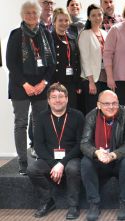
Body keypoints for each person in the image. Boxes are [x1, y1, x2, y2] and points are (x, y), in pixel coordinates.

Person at [7, 1, 55, 175]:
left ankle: (39, 155)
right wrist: (26, 85)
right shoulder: (15, 35)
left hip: (41, 86)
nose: (31, 16)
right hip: (20, 87)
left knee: (39, 122)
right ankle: (22, 161)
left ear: (39, 13)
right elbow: (11, 63)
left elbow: (52, 63)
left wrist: (43, 83)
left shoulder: (46, 34)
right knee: (21, 123)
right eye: (27, 13)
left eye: (34, 12)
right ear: (22, 15)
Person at [27, 83, 84, 219]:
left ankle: (73, 206)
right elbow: (38, 146)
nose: (57, 100)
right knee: (33, 169)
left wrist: (62, 163)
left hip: (71, 157)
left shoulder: (78, 116)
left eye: (61, 96)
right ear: (48, 100)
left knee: (73, 169)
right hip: (49, 158)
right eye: (53, 97)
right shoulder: (41, 117)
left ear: (67, 98)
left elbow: (80, 144)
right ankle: (47, 201)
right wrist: (54, 164)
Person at [80, 90, 125, 221]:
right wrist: (96, 152)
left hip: (119, 158)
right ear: (98, 105)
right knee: (85, 162)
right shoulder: (91, 116)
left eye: (114, 103)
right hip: (100, 158)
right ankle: (94, 203)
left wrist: (113, 155)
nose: (111, 107)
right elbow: (84, 143)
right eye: (106, 104)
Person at [79, 4, 108, 114]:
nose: (97, 18)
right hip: (92, 79)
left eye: (99, 15)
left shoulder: (105, 33)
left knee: (105, 110)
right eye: (93, 15)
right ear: (88, 17)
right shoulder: (85, 34)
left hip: (104, 77)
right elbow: (84, 59)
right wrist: (91, 81)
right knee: (93, 111)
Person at [51, 8, 82, 109]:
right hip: (55, 83)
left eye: (66, 20)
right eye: (60, 20)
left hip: (71, 83)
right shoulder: (49, 39)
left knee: (71, 112)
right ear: (54, 22)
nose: (64, 23)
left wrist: (78, 84)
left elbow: (77, 62)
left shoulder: (72, 38)